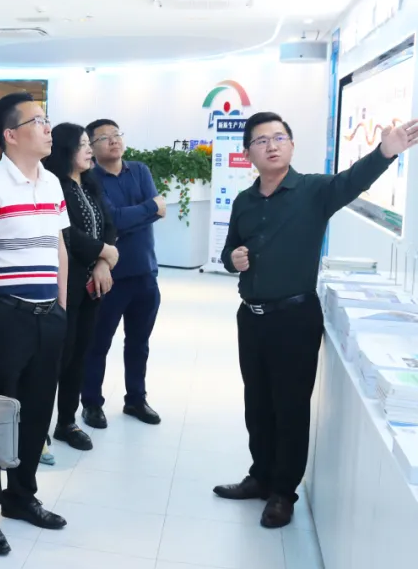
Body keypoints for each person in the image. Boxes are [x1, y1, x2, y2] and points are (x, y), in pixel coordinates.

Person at [215, 112, 418, 528]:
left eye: (279, 137)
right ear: (248, 153)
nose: (272, 146)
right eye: (261, 141)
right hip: (251, 318)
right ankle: (260, 476)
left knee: (290, 407)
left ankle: (282, 492)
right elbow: (228, 251)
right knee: (257, 404)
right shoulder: (243, 202)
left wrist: (385, 152)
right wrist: (232, 259)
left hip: (295, 317)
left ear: (291, 145)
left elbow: (353, 180)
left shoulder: (315, 191)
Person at [0, 92, 69, 556]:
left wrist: (61, 307)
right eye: (38, 121)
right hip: (5, 315)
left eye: (46, 120)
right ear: (10, 134)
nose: (48, 128)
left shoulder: (52, 182)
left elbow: (58, 248)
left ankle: (21, 497)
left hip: (48, 317)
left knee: (38, 412)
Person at [81, 119, 165, 429]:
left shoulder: (140, 170)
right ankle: (91, 403)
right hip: (108, 277)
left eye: (116, 134)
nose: (113, 141)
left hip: (145, 273)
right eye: (104, 137)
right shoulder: (90, 179)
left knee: (139, 343)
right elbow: (111, 220)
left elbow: (130, 218)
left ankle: (136, 400)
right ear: (92, 147)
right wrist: (148, 209)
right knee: (98, 343)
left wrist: (127, 219)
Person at [42, 124, 117, 455]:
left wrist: (102, 261)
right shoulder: (53, 185)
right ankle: (38, 426)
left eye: (89, 143)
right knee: (58, 358)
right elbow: (66, 234)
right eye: (83, 144)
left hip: (92, 287)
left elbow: (109, 225)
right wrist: (102, 251)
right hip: (63, 287)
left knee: (79, 357)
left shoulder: (89, 184)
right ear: (65, 149)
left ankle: (66, 422)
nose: (89, 150)